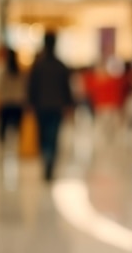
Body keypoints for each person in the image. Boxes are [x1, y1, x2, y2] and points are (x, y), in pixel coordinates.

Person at [27, 30, 74, 181]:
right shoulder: (60, 66)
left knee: (43, 136)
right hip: (57, 106)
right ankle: (50, 162)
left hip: (42, 106)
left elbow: (31, 87)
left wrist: (31, 103)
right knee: (53, 136)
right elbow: (67, 88)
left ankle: (47, 160)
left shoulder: (38, 66)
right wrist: (68, 105)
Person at [0, 47, 27, 146]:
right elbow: (23, 88)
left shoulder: (2, 71)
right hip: (17, 103)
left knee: (3, 130)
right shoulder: (20, 71)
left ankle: (4, 148)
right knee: (16, 129)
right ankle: (14, 148)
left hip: (6, 102)